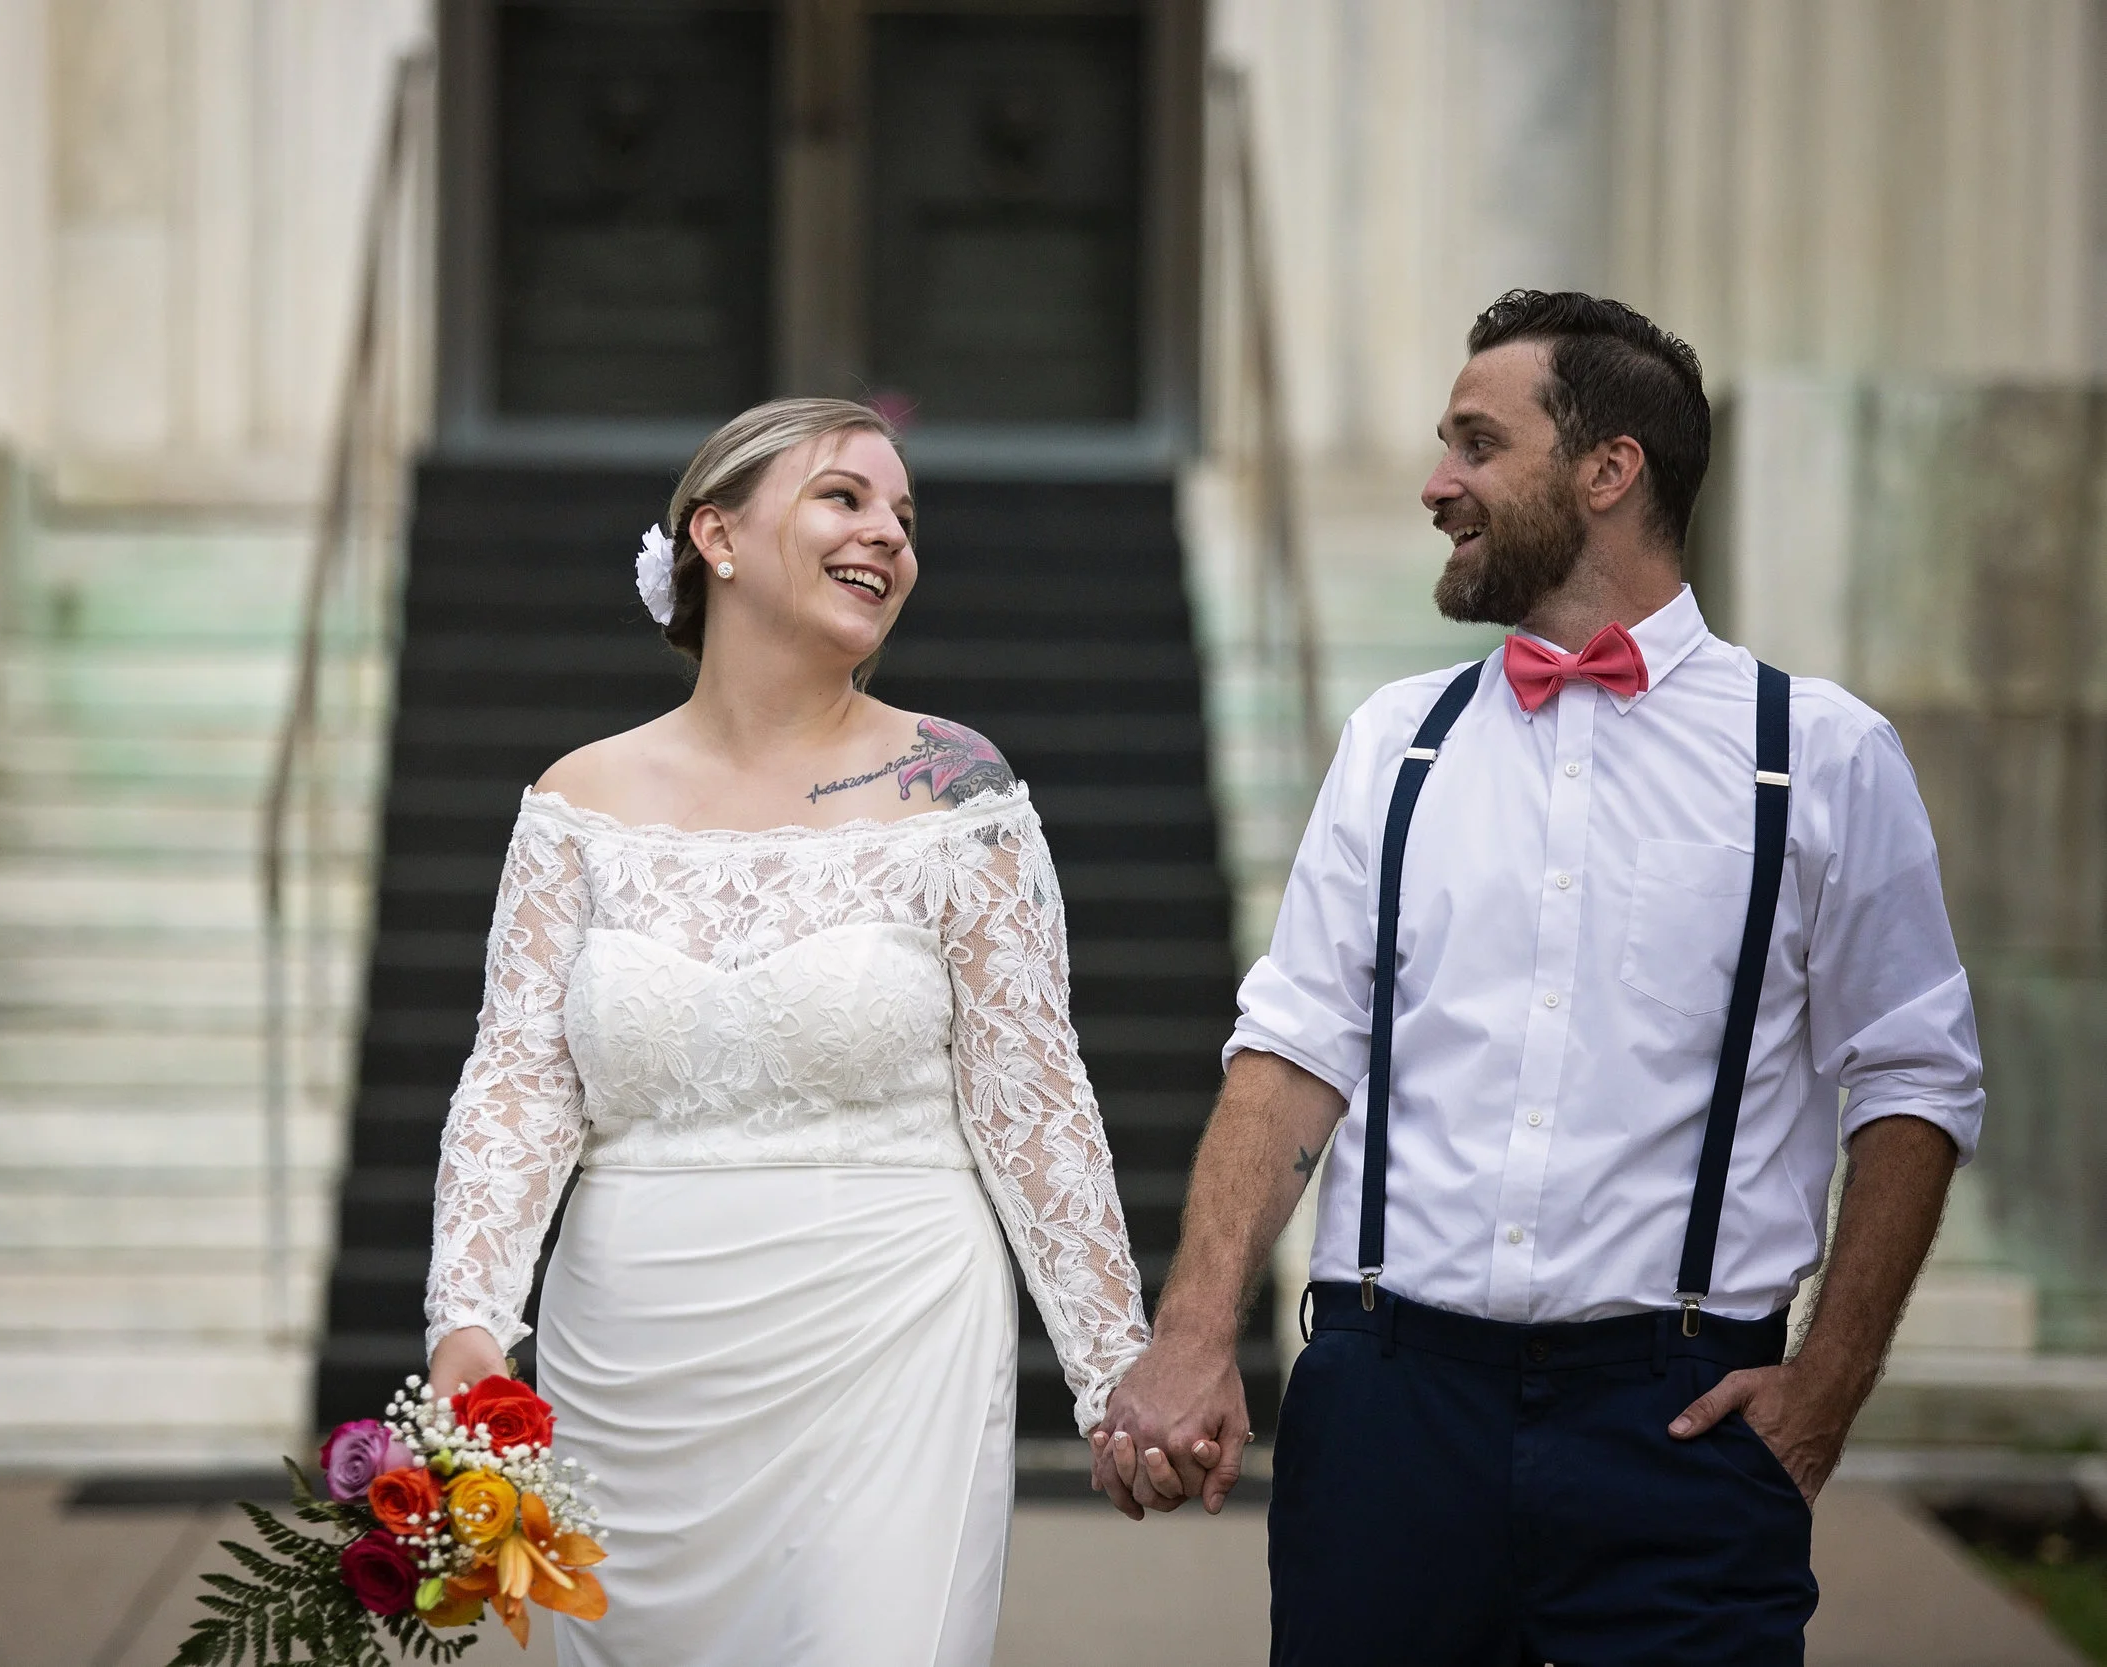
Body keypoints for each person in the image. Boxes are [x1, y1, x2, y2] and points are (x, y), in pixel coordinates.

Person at [1097, 292, 1982, 1665]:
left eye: (1476, 443)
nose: (1437, 482)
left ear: (1607, 468)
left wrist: (1827, 1383)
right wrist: (1196, 1328)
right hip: (1389, 1409)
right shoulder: (1398, 741)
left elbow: (1917, 1073)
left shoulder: (1820, 754)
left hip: (1679, 1422)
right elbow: (1294, 1047)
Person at [422, 397, 1149, 1665]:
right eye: (846, 497)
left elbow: (1034, 1095)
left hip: (889, 1328)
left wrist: (1113, 1371)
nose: (889, 535)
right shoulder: (576, 799)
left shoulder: (955, 783)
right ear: (717, 534)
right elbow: (519, 1080)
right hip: (630, 1350)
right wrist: (468, 1320)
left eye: (905, 517)